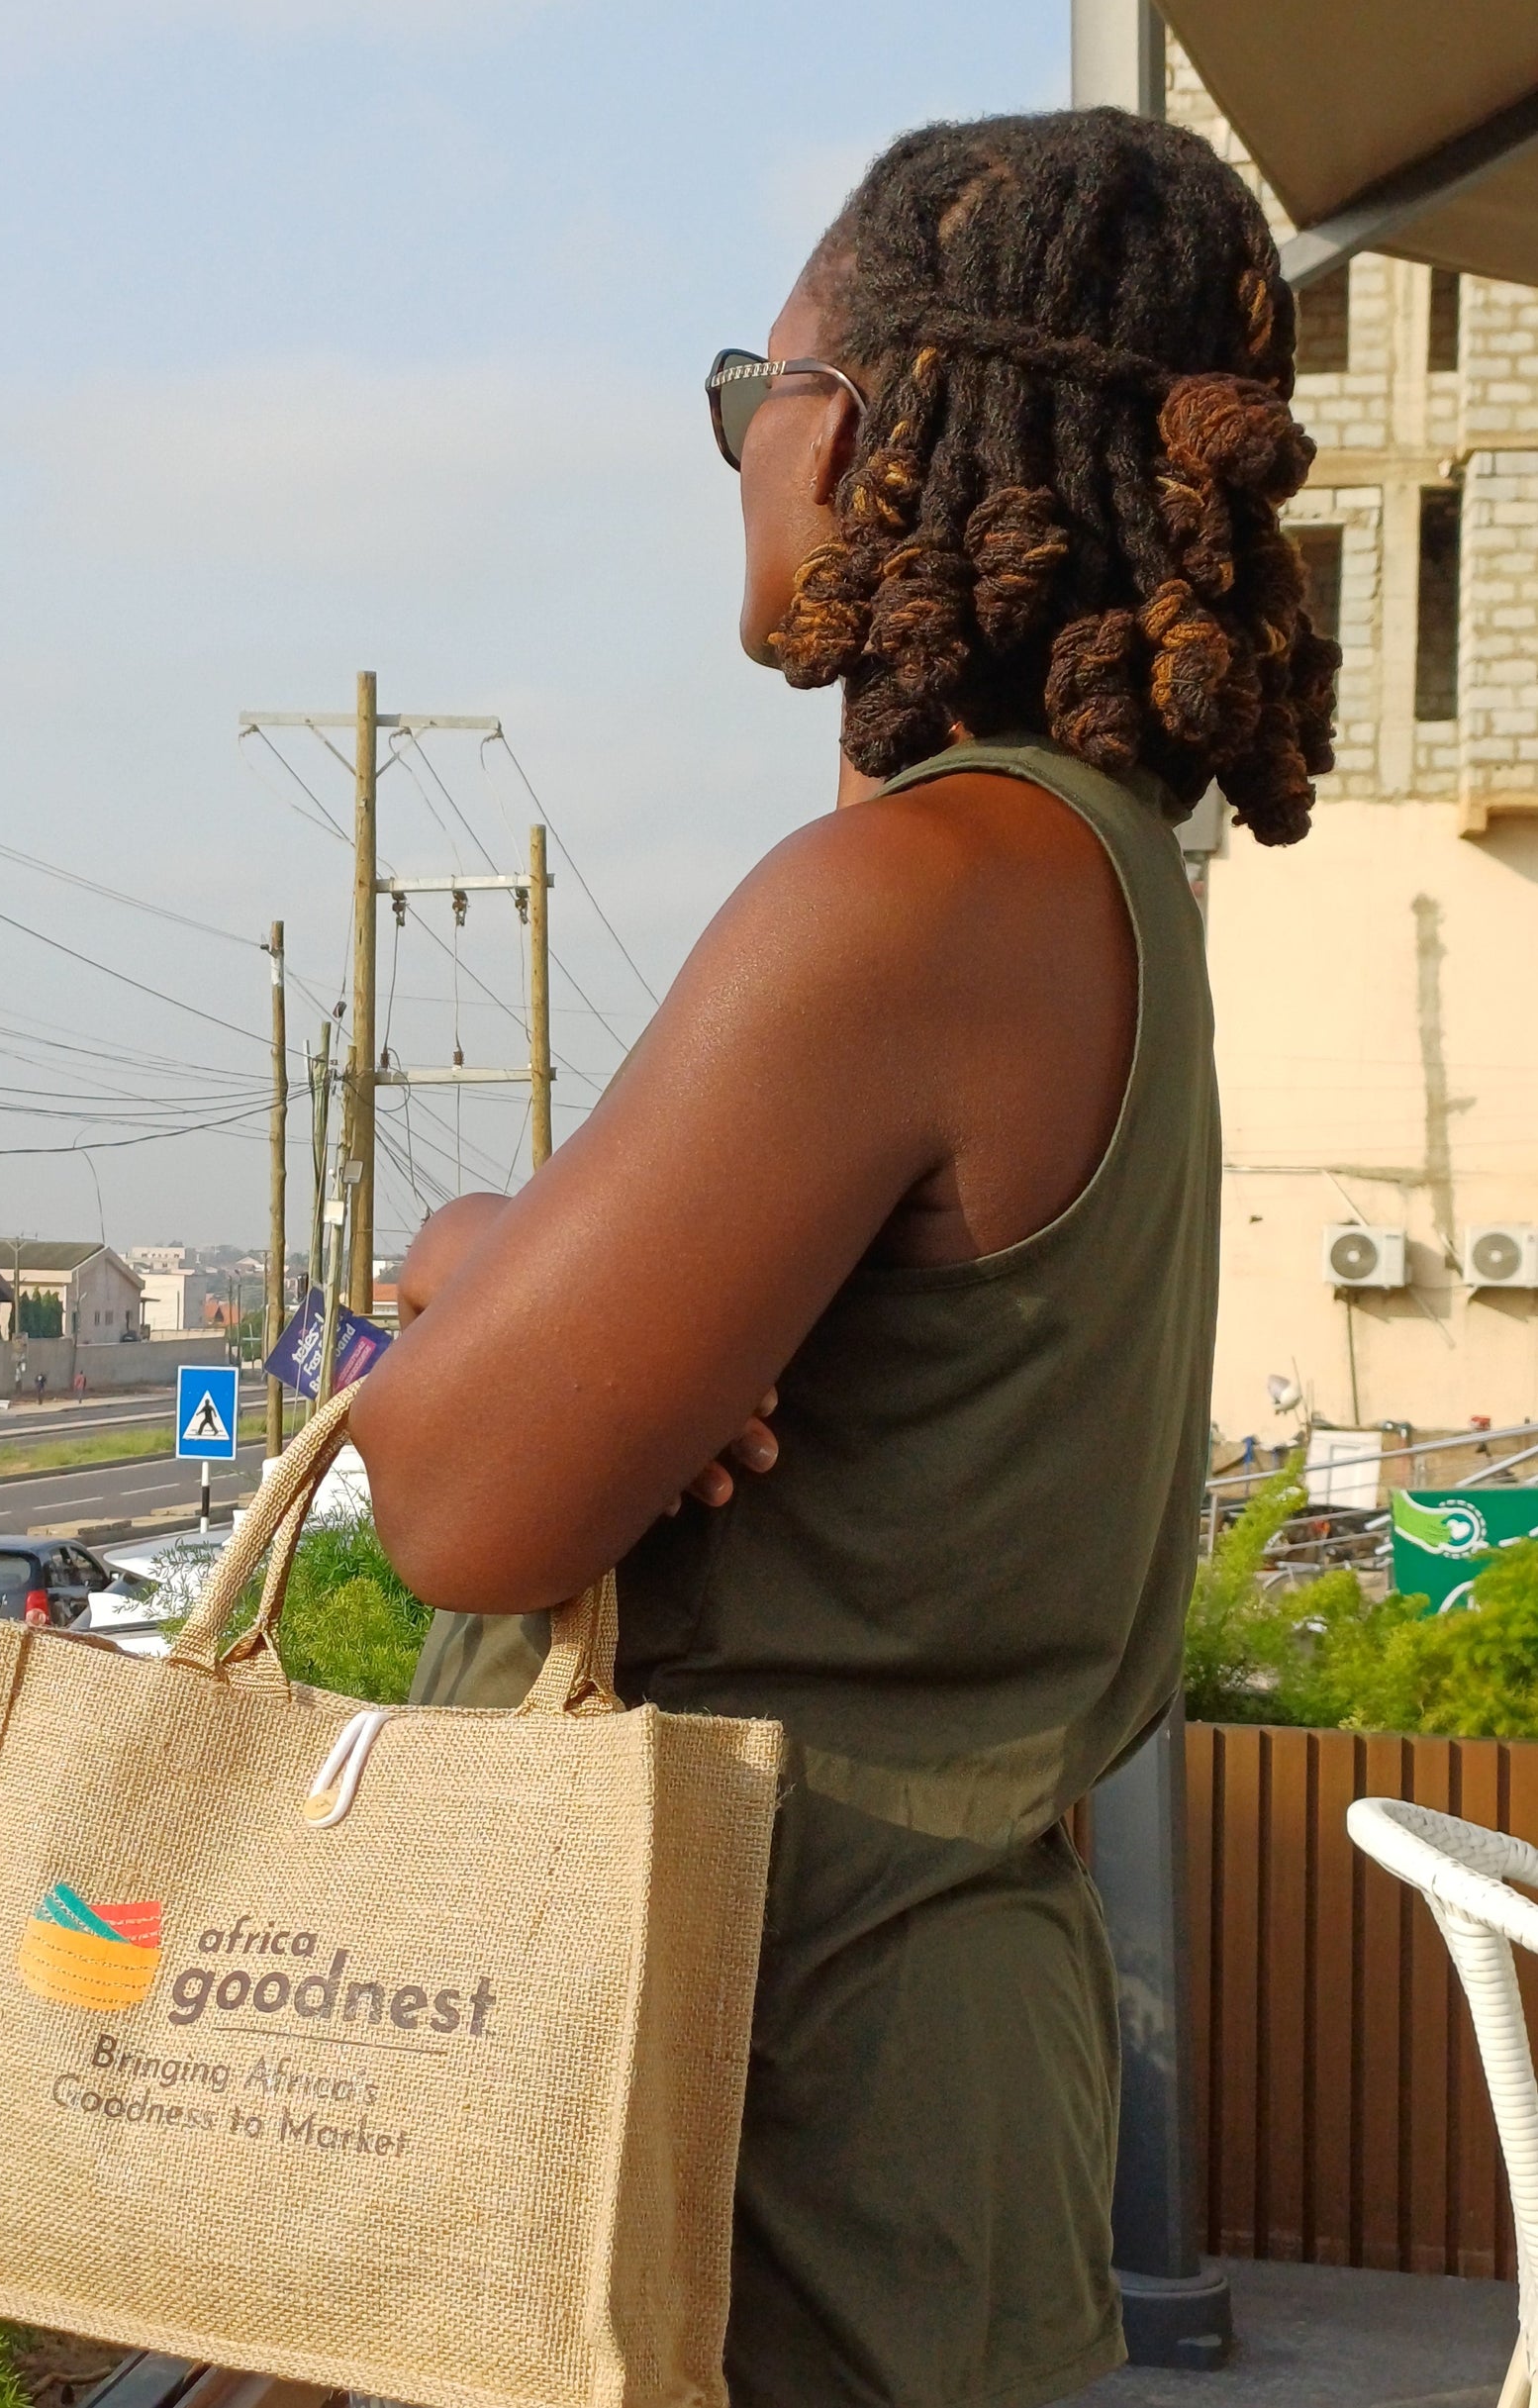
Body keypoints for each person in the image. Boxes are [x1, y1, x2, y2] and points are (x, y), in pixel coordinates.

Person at [348, 109, 1334, 2408]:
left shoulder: (909, 901)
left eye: (749, 393)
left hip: (760, 2122)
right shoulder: (1092, 882)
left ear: (865, 418)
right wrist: (590, 1304)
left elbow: (458, 1497)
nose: (740, 459)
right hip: (926, 2093)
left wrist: (479, 1261)